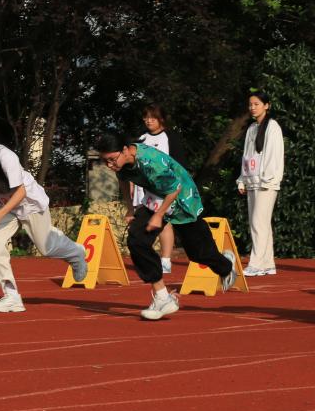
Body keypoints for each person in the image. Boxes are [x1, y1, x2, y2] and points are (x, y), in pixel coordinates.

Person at [95, 132, 237, 321]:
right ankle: (163, 297)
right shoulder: (120, 163)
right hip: (155, 198)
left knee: (198, 253)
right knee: (137, 240)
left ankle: (225, 265)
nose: (109, 165)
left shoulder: (151, 162)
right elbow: (123, 180)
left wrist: (159, 215)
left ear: (125, 150)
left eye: (112, 159)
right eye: (105, 161)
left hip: (182, 200)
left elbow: (174, 188)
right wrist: (130, 208)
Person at [0, 116, 88, 313]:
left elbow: (21, 192)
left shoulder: (5, 156)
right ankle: (11, 297)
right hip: (5, 206)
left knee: (46, 248)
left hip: (28, 203)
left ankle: (75, 252)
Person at [134, 103, 187, 274]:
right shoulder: (141, 139)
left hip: (166, 188)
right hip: (145, 189)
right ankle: (148, 259)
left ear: (161, 119)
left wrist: (177, 186)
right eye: (146, 117)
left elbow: (179, 165)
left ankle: (165, 260)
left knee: (164, 221)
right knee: (145, 223)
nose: (148, 121)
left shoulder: (170, 137)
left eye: (153, 118)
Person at [236, 91, 284, 277]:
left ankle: (256, 263)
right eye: (250, 104)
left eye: (256, 104)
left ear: (266, 105)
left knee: (258, 222)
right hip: (252, 181)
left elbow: (274, 155)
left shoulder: (273, 127)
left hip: (266, 183)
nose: (252, 107)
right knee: (260, 223)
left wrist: (268, 179)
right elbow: (247, 156)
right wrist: (242, 179)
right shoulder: (252, 128)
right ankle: (268, 263)